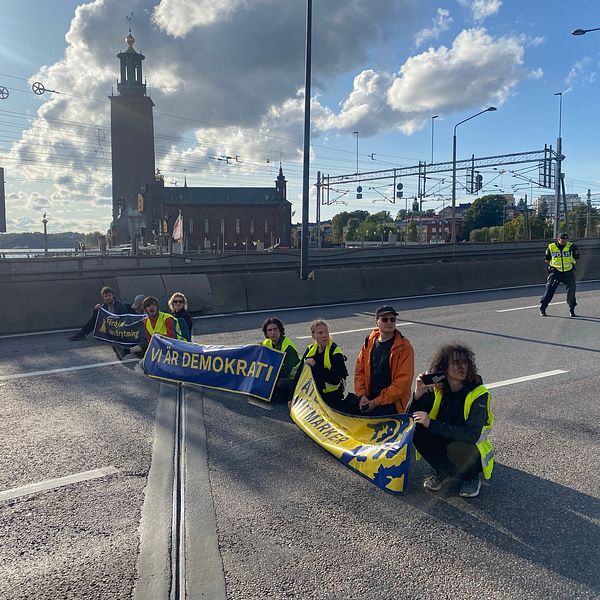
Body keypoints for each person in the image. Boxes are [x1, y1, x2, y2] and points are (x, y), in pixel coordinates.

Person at [408, 343, 494, 499]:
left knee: (458, 446)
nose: (462, 367)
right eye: (455, 363)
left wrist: (432, 424)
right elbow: (410, 419)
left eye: (465, 362)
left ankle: (471, 476)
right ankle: (442, 470)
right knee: (416, 429)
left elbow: (471, 435)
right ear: (443, 368)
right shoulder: (437, 388)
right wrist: (418, 394)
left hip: (470, 448)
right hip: (445, 441)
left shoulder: (479, 393)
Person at [347, 305, 414, 416]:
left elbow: (402, 384)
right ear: (376, 322)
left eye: (392, 319)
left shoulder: (404, 347)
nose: (389, 322)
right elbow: (360, 371)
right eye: (385, 319)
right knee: (346, 411)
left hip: (392, 403)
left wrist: (375, 402)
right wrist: (362, 396)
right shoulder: (369, 341)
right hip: (369, 398)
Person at [297, 320, 348, 410]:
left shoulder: (335, 351)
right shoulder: (310, 349)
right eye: (320, 333)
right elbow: (299, 373)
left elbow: (334, 380)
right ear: (313, 336)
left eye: (326, 331)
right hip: (313, 392)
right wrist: (290, 398)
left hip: (331, 395)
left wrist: (315, 365)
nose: (324, 335)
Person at [261, 317, 301, 403]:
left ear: (280, 330)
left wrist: (266, 375)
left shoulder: (288, 347)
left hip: (294, 379)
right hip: (276, 373)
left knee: (280, 383)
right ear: (266, 333)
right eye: (269, 330)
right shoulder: (266, 343)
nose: (273, 333)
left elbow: (285, 372)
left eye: (275, 329)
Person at [540, 232, 580, 317]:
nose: (565, 241)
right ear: (558, 239)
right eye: (563, 239)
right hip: (556, 272)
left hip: (568, 272)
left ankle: (572, 309)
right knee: (549, 290)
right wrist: (554, 266)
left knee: (571, 291)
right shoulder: (551, 247)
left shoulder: (572, 246)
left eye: (566, 239)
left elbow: (577, 257)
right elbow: (546, 260)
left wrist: (571, 262)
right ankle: (543, 308)